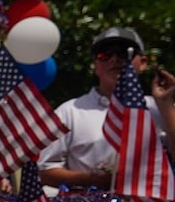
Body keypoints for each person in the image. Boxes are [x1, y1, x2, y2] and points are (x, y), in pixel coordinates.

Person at [38, 27, 175, 189]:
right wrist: (91, 179)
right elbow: (44, 171)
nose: (114, 59)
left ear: (143, 63)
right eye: (104, 54)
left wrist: (166, 104)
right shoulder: (69, 112)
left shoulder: (160, 108)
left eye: (124, 53)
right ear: (95, 66)